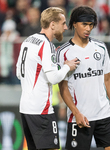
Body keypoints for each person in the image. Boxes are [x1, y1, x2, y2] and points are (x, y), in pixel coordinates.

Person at [57, 6, 110, 150]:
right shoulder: (63, 52)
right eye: (84, 24)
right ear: (74, 24)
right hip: (80, 117)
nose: (88, 28)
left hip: (104, 113)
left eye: (91, 25)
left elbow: (108, 79)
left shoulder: (100, 48)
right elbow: (63, 88)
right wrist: (76, 113)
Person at [16, 7, 79, 150]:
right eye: (62, 23)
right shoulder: (46, 44)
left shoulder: (27, 40)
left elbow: (19, 72)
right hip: (41, 110)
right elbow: (54, 78)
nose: (65, 27)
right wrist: (67, 67)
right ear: (52, 24)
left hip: (25, 108)